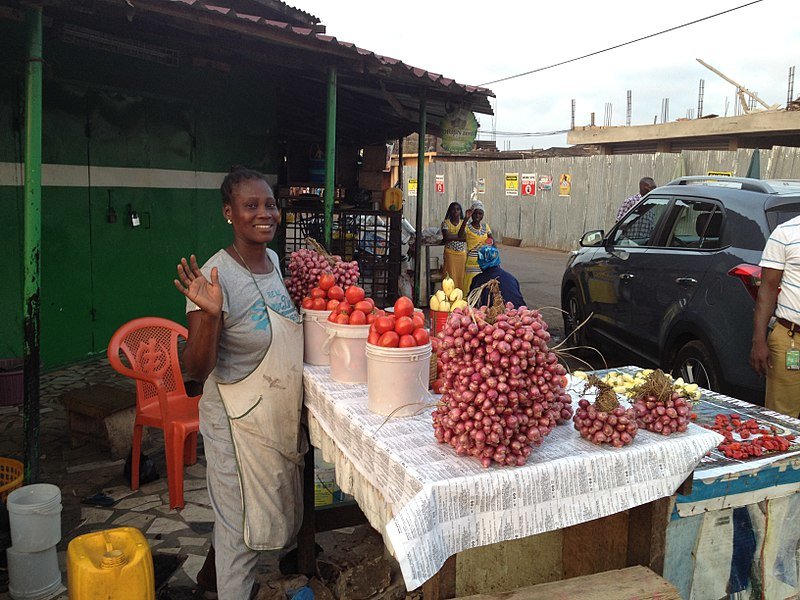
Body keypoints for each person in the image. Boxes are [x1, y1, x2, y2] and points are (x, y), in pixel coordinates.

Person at [174, 167, 304, 599]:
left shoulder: (274, 262)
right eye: (251, 205)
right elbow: (196, 369)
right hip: (233, 417)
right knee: (239, 526)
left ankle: (210, 580)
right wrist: (210, 316)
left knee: (259, 510)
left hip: (271, 413)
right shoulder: (214, 276)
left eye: (269, 204)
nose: (264, 213)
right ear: (229, 213)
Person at [749, 214, 800, 416]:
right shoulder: (785, 233)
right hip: (791, 339)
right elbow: (767, 290)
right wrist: (758, 340)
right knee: (783, 420)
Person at [463, 200, 493, 290]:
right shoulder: (467, 227)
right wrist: (465, 219)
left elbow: (492, 240)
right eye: (475, 213)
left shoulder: (485, 226)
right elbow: (460, 236)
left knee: (482, 286)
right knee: (471, 285)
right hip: (472, 261)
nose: (477, 216)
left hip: (485, 261)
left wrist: (494, 256)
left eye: (480, 214)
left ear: (483, 215)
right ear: (471, 214)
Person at [440, 201, 467, 290]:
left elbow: (466, 238)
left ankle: (460, 295)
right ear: (449, 211)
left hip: (462, 254)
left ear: (460, 211)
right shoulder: (445, 223)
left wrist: (453, 236)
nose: (455, 211)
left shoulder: (464, 223)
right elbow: (446, 237)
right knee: (450, 275)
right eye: (453, 209)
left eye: (458, 209)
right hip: (450, 254)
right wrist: (460, 236)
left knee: (461, 276)